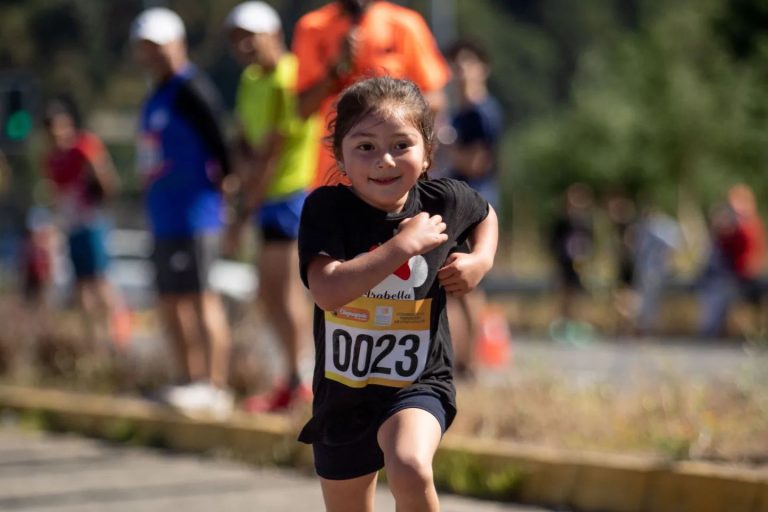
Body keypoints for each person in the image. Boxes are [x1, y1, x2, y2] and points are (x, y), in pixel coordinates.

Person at [297, 77, 498, 511]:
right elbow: (328, 291)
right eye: (365, 147)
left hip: (417, 381)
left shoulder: (443, 201)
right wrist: (401, 246)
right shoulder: (325, 209)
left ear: (428, 152)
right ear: (339, 155)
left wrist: (480, 260)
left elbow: (485, 213)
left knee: (410, 464)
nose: (384, 161)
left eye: (401, 145)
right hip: (343, 393)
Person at [131, 7, 233, 415]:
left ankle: (215, 385)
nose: (154, 55)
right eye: (146, 48)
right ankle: (189, 380)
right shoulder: (155, 94)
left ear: (178, 45)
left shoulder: (192, 90)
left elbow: (221, 149)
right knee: (171, 301)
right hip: (164, 215)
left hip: (195, 215)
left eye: (160, 46)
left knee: (200, 297)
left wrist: (226, 197)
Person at [223, 1, 317, 412]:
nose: (243, 45)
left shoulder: (288, 75)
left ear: (274, 35)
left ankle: (304, 378)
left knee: (285, 290)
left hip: (289, 193)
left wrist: (245, 204)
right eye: (237, 37)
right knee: (268, 291)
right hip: (266, 196)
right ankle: (293, 376)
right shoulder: (249, 79)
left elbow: (273, 150)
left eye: (251, 36)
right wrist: (241, 175)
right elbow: (243, 137)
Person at [291, 0, 451, 188]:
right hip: (334, 174)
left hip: (394, 172)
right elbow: (302, 109)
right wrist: (334, 71)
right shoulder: (312, 26)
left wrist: (385, 109)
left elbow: (436, 99)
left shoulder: (405, 24)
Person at [41, 96, 130, 352]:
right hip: (72, 226)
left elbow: (106, 179)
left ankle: (117, 336)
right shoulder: (51, 159)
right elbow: (56, 193)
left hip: (91, 222)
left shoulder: (84, 146)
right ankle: (92, 342)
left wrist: (99, 197)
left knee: (100, 280)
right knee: (81, 285)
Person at [442, 38, 505, 378]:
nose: (460, 70)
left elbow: (478, 163)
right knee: (457, 287)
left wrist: (446, 145)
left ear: (483, 68)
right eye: (456, 64)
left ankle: (472, 362)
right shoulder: (462, 112)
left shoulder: (482, 112)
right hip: (462, 201)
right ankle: (462, 360)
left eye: (467, 62)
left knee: (470, 285)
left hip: (477, 204)